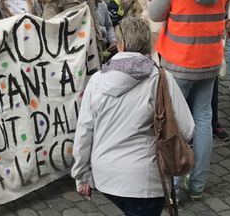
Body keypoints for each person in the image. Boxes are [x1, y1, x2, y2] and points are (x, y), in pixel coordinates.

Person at [71, 17, 194, 216]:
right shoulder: (161, 79)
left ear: (120, 45)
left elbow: (84, 131)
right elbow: (187, 129)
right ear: (149, 44)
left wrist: (81, 175)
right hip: (144, 180)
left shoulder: (96, 80)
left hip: (106, 176)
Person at [146, 0, 230, 201]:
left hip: (178, 61)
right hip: (209, 60)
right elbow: (225, 12)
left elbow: (156, 14)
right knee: (203, 119)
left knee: (172, 124)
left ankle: (170, 186)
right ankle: (197, 186)